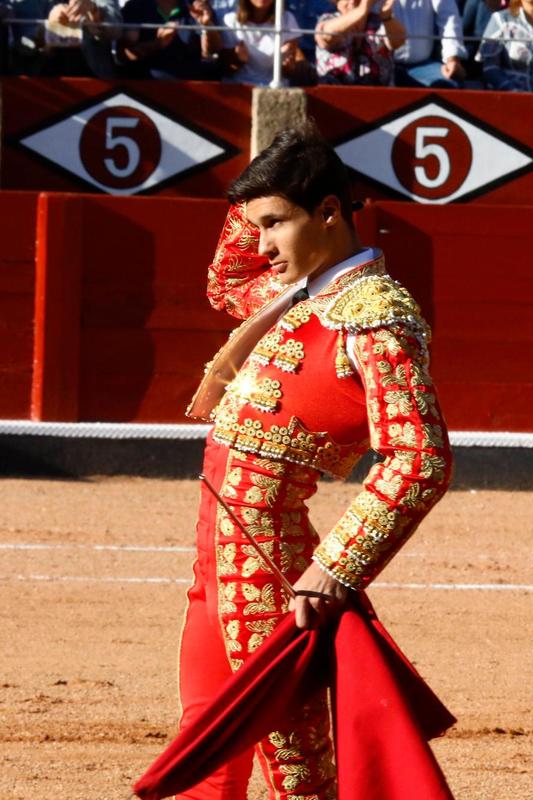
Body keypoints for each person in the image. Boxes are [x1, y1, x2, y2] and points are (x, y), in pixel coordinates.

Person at [179, 123, 453, 799]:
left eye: (277, 224)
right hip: (214, 569)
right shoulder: (290, 297)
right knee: (205, 757)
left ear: (330, 212)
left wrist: (333, 569)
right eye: (258, 226)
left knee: (297, 778)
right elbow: (227, 274)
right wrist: (273, 172)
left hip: (277, 582)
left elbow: (419, 459)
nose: (262, 244)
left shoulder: (376, 317)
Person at [119, 0, 220, 79]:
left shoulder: (196, 6)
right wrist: (157, 44)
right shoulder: (136, 6)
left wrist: (206, 25)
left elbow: (211, 50)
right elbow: (125, 55)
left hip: (191, 86)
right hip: (144, 88)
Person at [219, 0, 313, 84]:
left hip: (275, 90)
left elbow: (290, 72)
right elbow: (224, 69)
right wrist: (237, 58)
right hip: (239, 87)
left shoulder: (287, 19)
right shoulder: (230, 20)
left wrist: (286, 65)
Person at [315, 0, 406, 84]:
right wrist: (362, 10)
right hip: (334, 96)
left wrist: (387, 17)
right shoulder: (328, 19)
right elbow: (327, 35)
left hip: (379, 96)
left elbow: (397, 41)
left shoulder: (379, 22)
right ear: (337, 3)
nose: (352, 1)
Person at [391, 0, 467, 87]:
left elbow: (448, 16)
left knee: (449, 85)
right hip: (383, 65)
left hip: (423, 65)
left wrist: (452, 59)